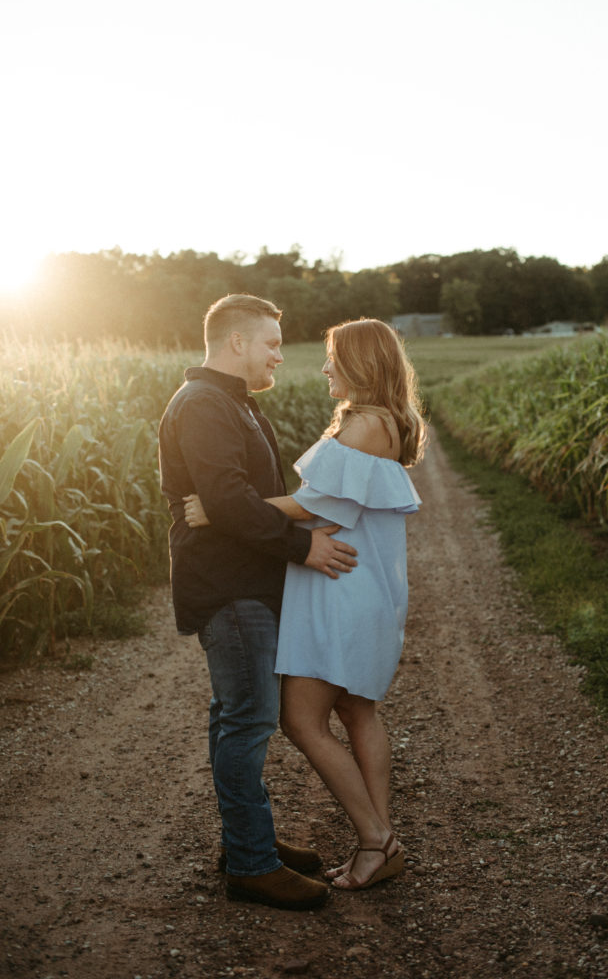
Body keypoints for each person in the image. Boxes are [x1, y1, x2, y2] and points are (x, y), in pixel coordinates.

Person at [185, 318, 426, 891]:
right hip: (361, 584)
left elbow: (310, 502)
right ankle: (380, 841)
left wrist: (221, 509)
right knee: (355, 712)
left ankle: (376, 840)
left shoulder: (367, 424)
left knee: (301, 719)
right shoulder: (384, 420)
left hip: (342, 588)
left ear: (363, 363)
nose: (323, 369)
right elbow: (323, 501)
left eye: (333, 359)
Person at [158, 293, 359, 912]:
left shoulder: (229, 403)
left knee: (235, 716)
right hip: (230, 588)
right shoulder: (203, 405)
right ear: (237, 342)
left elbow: (239, 500)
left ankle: (247, 840)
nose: (279, 353)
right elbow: (228, 501)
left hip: (245, 583)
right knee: (247, 720)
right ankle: (250, 863)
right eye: (271, 341)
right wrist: (305, 547)